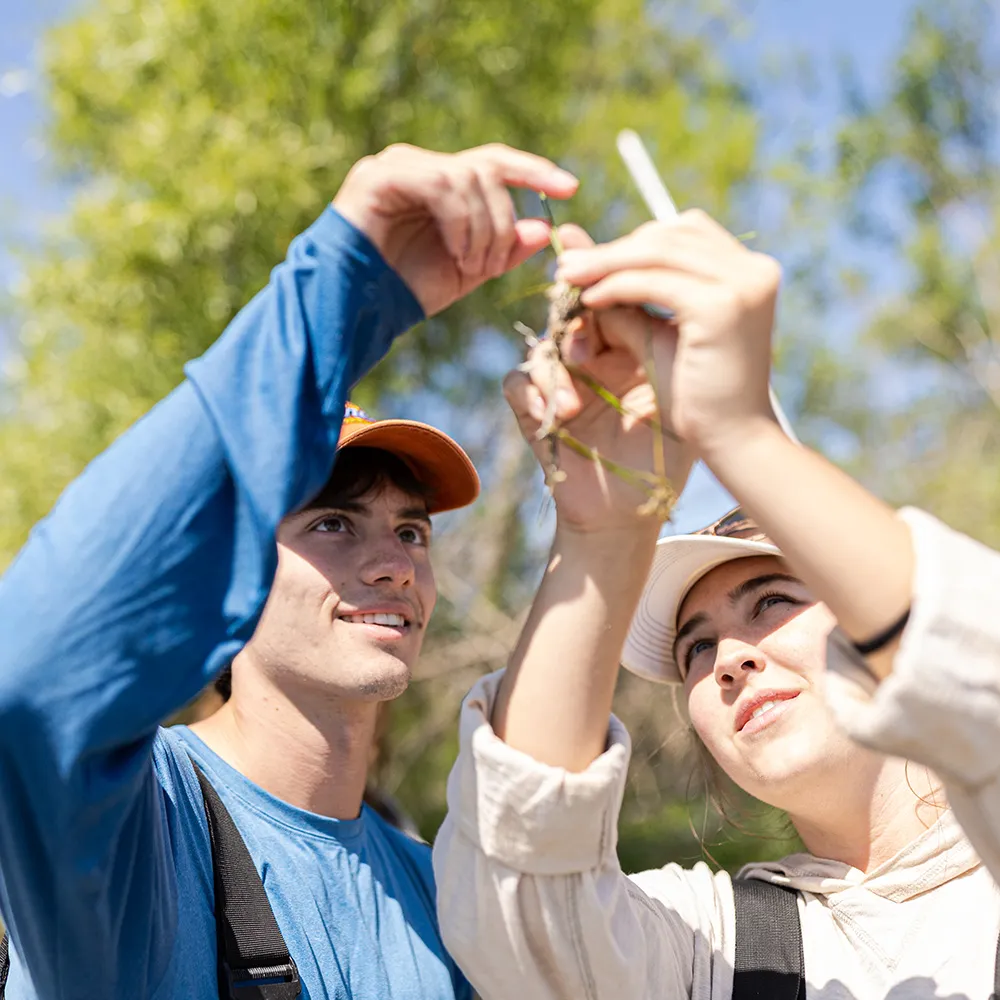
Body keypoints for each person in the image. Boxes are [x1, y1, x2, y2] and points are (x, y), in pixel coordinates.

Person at [0, 142, 578, 1000]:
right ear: (230, 575)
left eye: (412, 531)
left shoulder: (442, 893)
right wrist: (339, 285)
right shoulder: (140, 825)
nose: (393, 566)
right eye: (333, 523)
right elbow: (30, 679)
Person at [431, 218, 1000, 998]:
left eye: (770, 600)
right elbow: (525, 919)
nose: (729, 658)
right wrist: (600, 534)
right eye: (696, 648)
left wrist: (740, 433)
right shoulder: (715, 949)